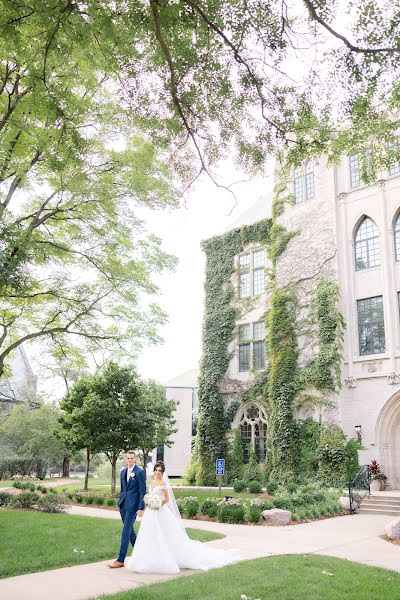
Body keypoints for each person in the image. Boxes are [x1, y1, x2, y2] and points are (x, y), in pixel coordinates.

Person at [126, 460, 240, 574]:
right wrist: (149, 503)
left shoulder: (163, 484)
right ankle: (147, 559)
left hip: (160, 511)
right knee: (149, 534)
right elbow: (150, 495)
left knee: (163, 534)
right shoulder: (152, 482)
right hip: (150, 512)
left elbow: (166, 499)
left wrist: (157, 504)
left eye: (159, 471)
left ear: (163, 472)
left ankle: (165, 559)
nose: (157, 472)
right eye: (156, 470)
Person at [108, 450, 146, 569]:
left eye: (132, 458)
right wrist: (120, 501)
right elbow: (123, 489)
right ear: (125, 459)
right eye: (128, 458)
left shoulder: (139, 472)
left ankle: (121, 559)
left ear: (135, 459)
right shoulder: (123, 471)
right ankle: (141, 555)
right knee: (130, 531)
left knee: (126, 531)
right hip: (123, 504)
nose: (130, 460)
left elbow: (142, 491)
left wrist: (141, 508)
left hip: (133, 507)